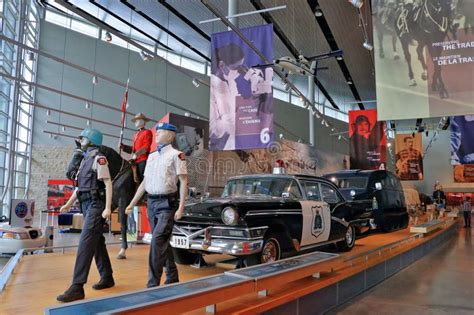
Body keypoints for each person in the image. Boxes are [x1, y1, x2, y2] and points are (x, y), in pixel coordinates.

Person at [126, 122, 188, 287]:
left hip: (167, 204)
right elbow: (145, 182)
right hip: (152, 203)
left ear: (170, 135)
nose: (157, 135)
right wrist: (132, 203)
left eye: (160, 132)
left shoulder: (177, 155)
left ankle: (152, 284)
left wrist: (181, 206)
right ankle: (172, 275)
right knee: (162, 242)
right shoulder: (152, 156)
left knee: (157, 241)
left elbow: (183, 181)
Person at [57, 128, 114, 302]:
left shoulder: (99, 159)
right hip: (86, 204)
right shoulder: (84, 161)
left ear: (90, 140)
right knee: (96, 242)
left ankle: (77, 286)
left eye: (82, 139)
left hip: (97, 205)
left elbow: (108, 183)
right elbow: (79, 188)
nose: (80, 141)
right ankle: (107, 277)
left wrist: (107, 207)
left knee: (86, 241)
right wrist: (68, 204)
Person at [120, 112, 153, 182]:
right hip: (135, 161)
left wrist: (136, 154)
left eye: (137, 120)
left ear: (143, 121)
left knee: (142, 178)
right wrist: (124, 147)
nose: (135, 122)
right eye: (135, 120)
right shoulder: (135, 134)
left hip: (143, 160)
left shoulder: (147, 132)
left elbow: (146, 147)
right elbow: (133, 149)